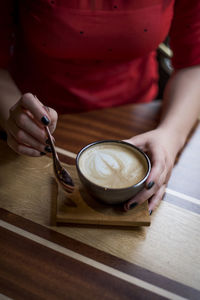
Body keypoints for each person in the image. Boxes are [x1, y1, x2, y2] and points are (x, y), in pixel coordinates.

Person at [0, 1, 200, 213]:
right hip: (36, 130)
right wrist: (15, 117)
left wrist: (171, 135)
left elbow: (194, 63)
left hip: (141, 125)